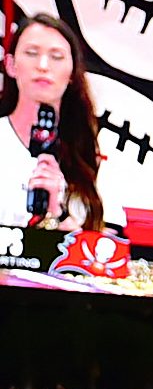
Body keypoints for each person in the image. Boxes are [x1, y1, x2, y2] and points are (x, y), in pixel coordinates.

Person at [0, 14, 122, 233]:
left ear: (72, 73)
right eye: (31, 53)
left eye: (56, 57)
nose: (43, 65)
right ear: (10, 65)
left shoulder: (92, 153)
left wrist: (59, 214)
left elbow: (108, 252)